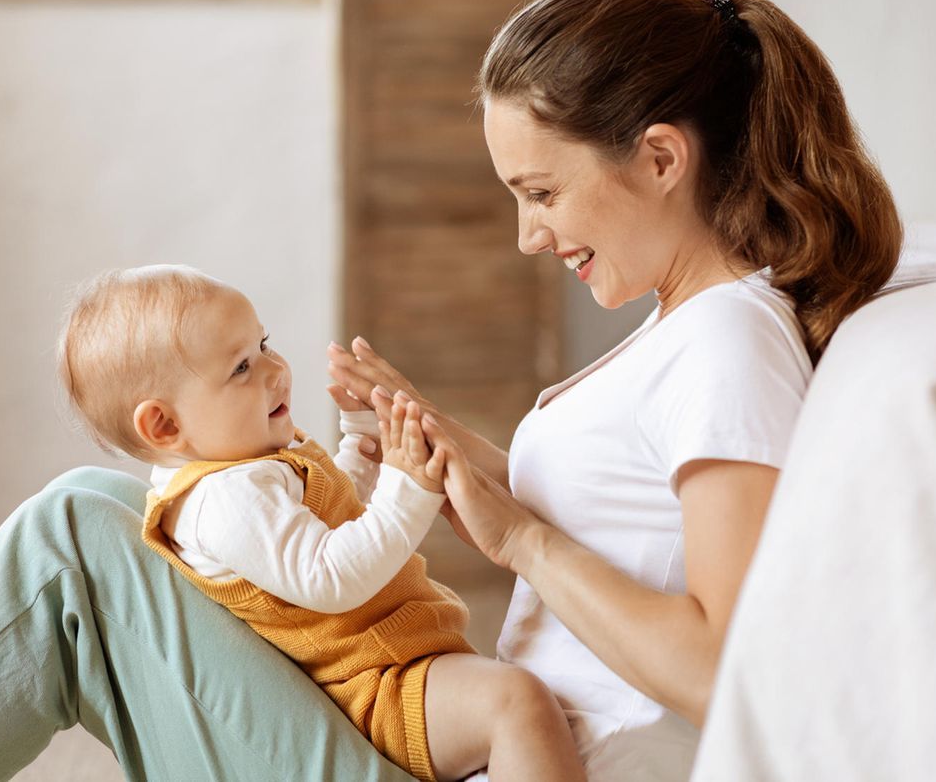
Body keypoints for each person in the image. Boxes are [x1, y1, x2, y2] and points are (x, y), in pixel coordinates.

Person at [326, 0, 901, 779]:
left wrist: (521, 541)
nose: (529, 236)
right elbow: (621, 515)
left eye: (542, 193)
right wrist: (443, 446)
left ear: (661, 158)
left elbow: (726, 673)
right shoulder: (687, 321)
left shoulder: (728, 344)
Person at [58, 265, 585, 782]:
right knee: (518, 704)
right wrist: (410, 488)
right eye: (241, 368)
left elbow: (329, 514)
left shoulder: (246, 471)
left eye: (264, 344)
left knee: (522, 702)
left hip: (392, 665)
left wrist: (361, 442)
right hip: (371, 689)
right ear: (164, 424)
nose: (275, 369)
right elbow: (331, 576)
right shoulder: (221, 501)